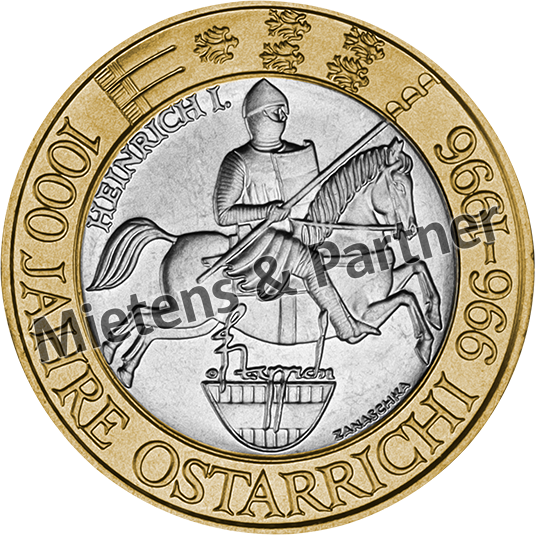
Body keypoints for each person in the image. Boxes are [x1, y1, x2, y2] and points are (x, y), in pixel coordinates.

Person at [213, 79, 379, 343]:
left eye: (284, 110)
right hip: (259, 239)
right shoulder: (238, 160)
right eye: (276, 111)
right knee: (311, 264)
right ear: (256, 117)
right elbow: (223, 214)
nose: (283, 117)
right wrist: (266, 212)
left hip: (296, 233)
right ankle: (346, 328)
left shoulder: (296, 153)